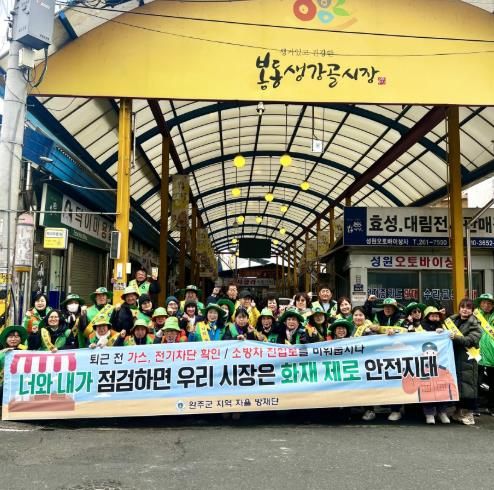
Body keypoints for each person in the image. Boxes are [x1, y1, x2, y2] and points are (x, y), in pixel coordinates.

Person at [402, 341, 457, 425]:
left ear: (437, 354)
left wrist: (453, 394)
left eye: (433, 353)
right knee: (427, 400)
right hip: (426, 397)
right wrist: (406, 375)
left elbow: (451, 384)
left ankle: (442, 413)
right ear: (423, 355)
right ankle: (429, 414)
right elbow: (410, 389)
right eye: (427, 353)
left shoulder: (443, 370)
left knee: (443, 399)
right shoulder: (419, 371)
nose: (430, 355)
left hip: (442, 395)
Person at [447, 298, 482, 425]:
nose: (465, 310)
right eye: (463, 307)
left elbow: (470, 340)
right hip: (454, 357)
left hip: (468, 358)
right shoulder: (452, 321)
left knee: (468, 386)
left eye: (468, 308)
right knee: (458, 385)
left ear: (472, 310)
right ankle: (458, 412)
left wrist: (455, 337)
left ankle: (469, 414)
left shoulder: (475, 324)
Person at [474, 293, 494, 415]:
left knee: (493, 382)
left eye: (489, 303)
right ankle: (475, 407)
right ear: (480, 304)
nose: (486, 305)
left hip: (492, 354)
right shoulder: (474, 315)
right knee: (476, 381)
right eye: (484, 302)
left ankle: (491, 407)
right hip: (477, 353)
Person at [0, 325, 28, 404]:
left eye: (16, 336)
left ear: (20, 339)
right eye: (10, 337)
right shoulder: (2, 352)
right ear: (6, 339)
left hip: (21, 386)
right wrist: (2, 353)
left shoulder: (27, 351)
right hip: (4, 385)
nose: (13, 339)